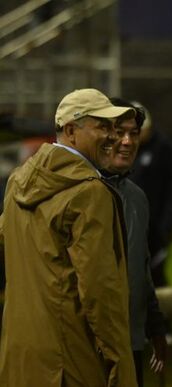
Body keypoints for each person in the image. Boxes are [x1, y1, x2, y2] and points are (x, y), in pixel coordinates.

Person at [0, 88, 137, 386]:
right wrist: (119, 360)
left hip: (20, 354)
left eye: (114, 128)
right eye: (102, 126)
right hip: (70, 361)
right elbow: (99, 291)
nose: (113, 136)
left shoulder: (16, 182)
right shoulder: (89, 192)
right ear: (72, 131)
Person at [105, 97, 168, 386]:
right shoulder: (74, 194)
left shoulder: (136, 197)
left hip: (131, 340)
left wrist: (155, 325)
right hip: (83, 344)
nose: (128, 141)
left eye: (133, 133)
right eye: (119, 132)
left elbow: (140, 269)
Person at [127, 102, 172, 344]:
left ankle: (163, 328)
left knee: (157, 276)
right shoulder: (126, 150)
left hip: (156, 229)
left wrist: (167, 225)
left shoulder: (164, 149)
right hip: (132, 228)